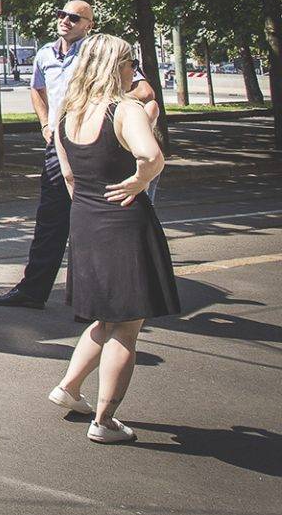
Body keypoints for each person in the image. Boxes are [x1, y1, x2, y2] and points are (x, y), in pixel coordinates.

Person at [45, 32, 179, 444]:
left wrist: (87, 201)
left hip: (85, 218)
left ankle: (68, 387)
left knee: (106, 315)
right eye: (128, 63)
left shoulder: (68, 111)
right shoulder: (125, 109)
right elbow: (151, 156)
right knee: (127, 325)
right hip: (122, 221)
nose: (131, 70)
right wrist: (139, 181)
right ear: (115, 67)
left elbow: (68, 174)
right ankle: (104, 421)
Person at [0, 0, 159, 309]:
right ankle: (33, 291)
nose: (65, 21)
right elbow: (37, 89)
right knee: (51, 220)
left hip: (97, 143)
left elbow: (145, 92)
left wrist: (101, 101)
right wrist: (45, 123)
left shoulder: (99, 53)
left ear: (88, 25)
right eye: (61, 15)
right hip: (60, 143)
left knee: (97, 216)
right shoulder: (44, 54)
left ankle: (107, 292)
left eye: (74, 17)